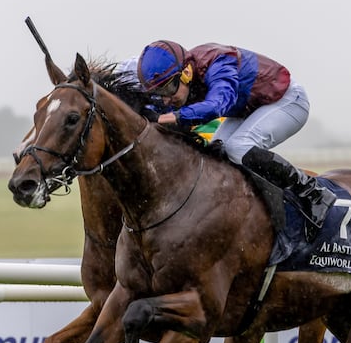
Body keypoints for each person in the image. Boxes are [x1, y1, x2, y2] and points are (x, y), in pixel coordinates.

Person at [136, 41, 336, 236]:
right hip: (251, 109)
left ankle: (313, 192)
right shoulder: (183, 77)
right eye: (158, 93)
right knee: (215, 156)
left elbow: (218, 104)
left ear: (186, 73)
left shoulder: (217, 62)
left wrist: (166, 118)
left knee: (237, 147)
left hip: (288, 100)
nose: (166, 99)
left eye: (167, 89)